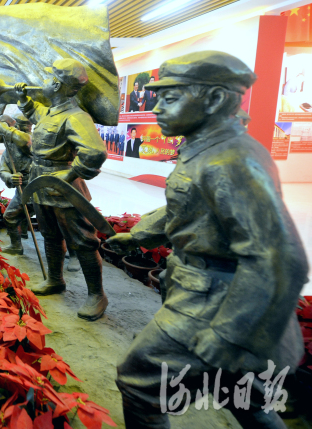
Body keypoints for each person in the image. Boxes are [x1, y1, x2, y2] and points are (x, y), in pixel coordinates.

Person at [107, 50, 308, 429]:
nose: (157, 109)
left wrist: (229, 333)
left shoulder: (230, 161)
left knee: (139, 380)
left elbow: (280, 257)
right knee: (244, 397)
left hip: (218, 303)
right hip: (205, 290)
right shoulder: (205, 149)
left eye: (170, 98)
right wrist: (138, 235)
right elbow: (189, 207)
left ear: (215, 99)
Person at [15, 58, 109, 321]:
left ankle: (97, 295)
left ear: (56, 85)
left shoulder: (76, 117)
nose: (43, 82)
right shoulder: (51, 112)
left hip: (64, 188)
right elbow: (36, 114)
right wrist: (23, 99)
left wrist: (69, 175)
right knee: (50, 234)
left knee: (83, 241)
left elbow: (95, 152)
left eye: (48, 77)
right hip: (41, 182)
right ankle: (55, 280)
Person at [0, 112, 33, 255]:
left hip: (39, 190)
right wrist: (10, 177)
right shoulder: (9, 149)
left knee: (54, 224)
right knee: (9, 216)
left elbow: (27, 143)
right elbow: (4, 169)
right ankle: (16, 246)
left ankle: (73, 253)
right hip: (23, 191)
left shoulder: (29, 141)